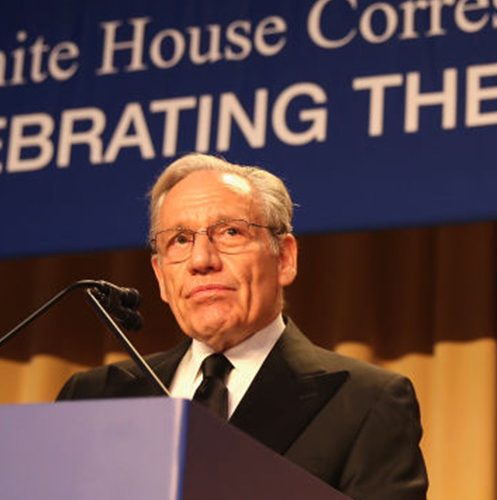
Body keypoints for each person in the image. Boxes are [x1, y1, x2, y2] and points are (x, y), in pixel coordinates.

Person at [57, 154, 429, 499]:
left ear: (284, 258)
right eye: (180, 240)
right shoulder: (92, 397)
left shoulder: (367, 402)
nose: (201, 260)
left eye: (230, 233)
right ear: (160, 276)